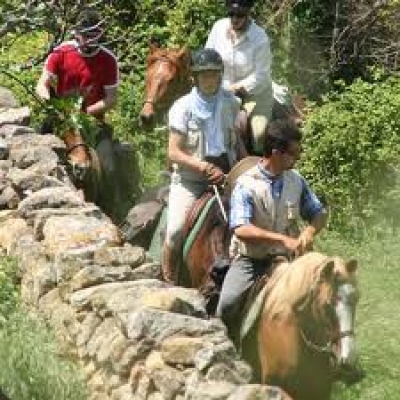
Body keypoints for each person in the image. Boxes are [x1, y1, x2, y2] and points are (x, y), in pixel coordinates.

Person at [216, 119, 328, 341]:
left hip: (290, 259)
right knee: (226, 305)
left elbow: (319, 212)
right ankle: (225, 349)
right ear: (276, 153)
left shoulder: (296, 181)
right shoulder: (246, 184)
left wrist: (310, 231)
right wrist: (282, 239)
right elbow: (241, 228)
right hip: (252, 261)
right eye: (294, 153)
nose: (298, 158)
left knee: (327, 296)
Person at [162, 48, 246, 284]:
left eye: (214, 74)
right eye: (204, 75)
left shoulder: (231, 103)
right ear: (195, 78)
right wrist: (203, 167)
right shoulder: (182, 107)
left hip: (227, 175)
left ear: (220, 75)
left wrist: (248, 167)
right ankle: (169, 278)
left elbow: (236, 140)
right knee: (176, 229)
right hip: (191, 180)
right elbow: (174, 151)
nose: (210, 80)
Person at [35, 8, 120, 218]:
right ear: (77, 34)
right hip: (61, 116)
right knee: (36, 150)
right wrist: (56, 107)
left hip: (92, 119)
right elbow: (41, 85)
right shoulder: (61, 52)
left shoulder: (109, 60)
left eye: (95, 36)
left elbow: (111, 99)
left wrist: (85, 112)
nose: (91, 41)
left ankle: (113, 212)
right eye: (87, 36)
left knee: (109, 167)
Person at [205, 0, 273, 155]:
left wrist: (236, 88)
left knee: (258, 133)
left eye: (240, 15)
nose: (235, 19)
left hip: (254, 96)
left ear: (248, 14)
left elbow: (261, 76)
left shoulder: (260, 38)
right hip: (221, 91)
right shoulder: (218, 27)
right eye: (231, 14)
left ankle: (258, 168)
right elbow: (209, 57)